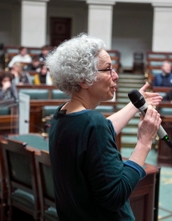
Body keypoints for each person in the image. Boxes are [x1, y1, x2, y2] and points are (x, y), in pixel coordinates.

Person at [45, 33, 163, 221]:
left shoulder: (62, 115)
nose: (115, 76)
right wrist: (144, 142)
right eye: (108, 69)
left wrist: (134, 105)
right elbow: (115, 196)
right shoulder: (92, 123)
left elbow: (100, 130)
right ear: (83, 79)